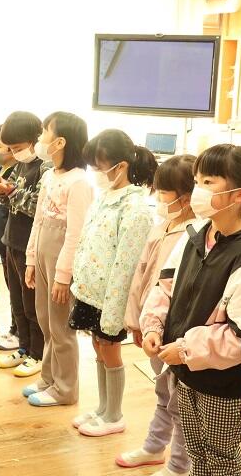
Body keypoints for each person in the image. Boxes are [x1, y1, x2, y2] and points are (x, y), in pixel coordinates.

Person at [146, 144, 241, 474]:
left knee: (220, 459)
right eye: (197, 181)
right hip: (186, 372)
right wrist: (153, 325)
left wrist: (185, 349)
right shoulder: (194, 236)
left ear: (239, 195)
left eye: (208, 182)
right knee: (195, 452)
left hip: (222, 383)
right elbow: (165, 287)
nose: (198, 190)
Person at [63, 130, 156, 429]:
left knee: (110, 349)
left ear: (121, 166)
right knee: (98, 347)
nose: (96, 173)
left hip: (111, 297)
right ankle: (102, 408)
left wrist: (114, 313)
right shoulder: (105, 197)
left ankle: (114, 415)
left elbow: (126, 266)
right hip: (91, 292)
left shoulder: (136, 208)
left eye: (99, 167)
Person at [116, 155, 198, 476]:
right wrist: (136, 320)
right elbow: (142, 275)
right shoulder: (161, 226)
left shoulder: (194, 234)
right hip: (152, 326)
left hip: (175, 332)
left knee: (180, 403)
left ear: (185, 198)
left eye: (163, 192)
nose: (158, 197)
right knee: (163, 393)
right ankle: (154, 447)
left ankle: (178, 465)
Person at [14, 112, 92, 390]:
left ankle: (65, 388)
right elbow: (38, 221)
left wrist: (63, 276)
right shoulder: (49, 176)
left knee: (61, 328)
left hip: (61, 261)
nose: (40, 138)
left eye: (45, 132)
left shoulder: (79, 182)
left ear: (60, 142)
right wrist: (30, 260)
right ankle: (48, 378)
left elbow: (75, 234)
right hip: (43, 254)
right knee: (46, 322)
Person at [0, 111, 50, 376]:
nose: (14, 153)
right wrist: (4, 192)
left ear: (36, 140)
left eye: (18, 147)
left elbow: (38, 207)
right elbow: (13, 202)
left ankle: (37, 353)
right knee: (17, 302)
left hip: (29, 246)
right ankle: (24, 347)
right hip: (12, 240)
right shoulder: (21, 165)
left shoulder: (45, 168)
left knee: (32, 305)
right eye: (10, 148)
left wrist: (11, 191)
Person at [0, 125, 20, 351]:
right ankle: (14, 329)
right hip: (3, 238)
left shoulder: (18, 172)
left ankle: (19, 334)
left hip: (15, 240)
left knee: (19, 293)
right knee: (13, 290)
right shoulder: (1, 170)